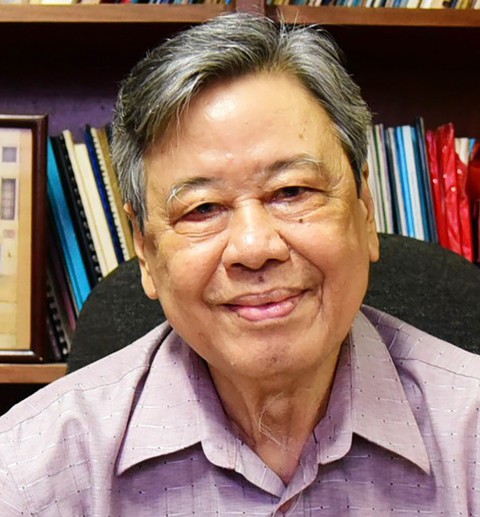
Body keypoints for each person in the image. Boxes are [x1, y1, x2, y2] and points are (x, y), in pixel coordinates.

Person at [1, 12, 479, 516]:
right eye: (202, 208)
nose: (254, 247)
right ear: (144, 249)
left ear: (364, 211)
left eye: (292, 191)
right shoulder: (29, 474)